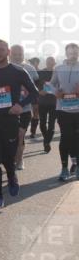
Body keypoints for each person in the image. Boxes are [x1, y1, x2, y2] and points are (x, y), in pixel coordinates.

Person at [0, 40, 38, 210]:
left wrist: (20, 105)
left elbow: (34, 93)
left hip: (9, 121)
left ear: (8, 52)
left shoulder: (18, 71)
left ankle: (11, 176)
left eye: (0, 50)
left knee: (8, 158)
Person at [50, 43, 79, 182]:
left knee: (77, 138)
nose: (73, 55)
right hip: (63, 110)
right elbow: (51, 84)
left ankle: (77, 165)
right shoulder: (59, 68)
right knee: (66, 137)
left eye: (75, 52)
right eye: (70, 52)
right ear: (66, 53)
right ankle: (64, 168)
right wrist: (55, 92)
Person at [10, 44, 40, 171]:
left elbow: (37, 88)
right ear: (10, 54)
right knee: (10, 138)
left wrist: (35, 106)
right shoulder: (5, 67)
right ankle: (11, 159)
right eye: (15, 54)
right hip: (8, 110)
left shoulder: (30, 68)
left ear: (23, 54)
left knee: (20, 135)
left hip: (25, 109)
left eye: (20, 54)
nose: (17, 57)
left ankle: (19, 159)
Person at [37, 56, 58, 153]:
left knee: (51, 125)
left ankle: (46, 142)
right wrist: (39, 91)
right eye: (48, 61)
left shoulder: (57, 73)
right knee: (42, 124)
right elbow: (34, 84)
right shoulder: (40, 73)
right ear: (45, 62)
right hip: (42, 102)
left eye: (52, 61)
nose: (50, 63)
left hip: (54, 102)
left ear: (54, 63)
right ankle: (46, 139)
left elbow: (62, 85)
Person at [28, 56, 42, 138]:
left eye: (32, 62)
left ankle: (33, 131)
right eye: (30, 62)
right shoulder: (27, 70)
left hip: (36, 94)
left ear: (37, 63)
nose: (31, 64)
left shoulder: (41, 72)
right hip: (26, 93)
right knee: (27, 113)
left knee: (36, 112)